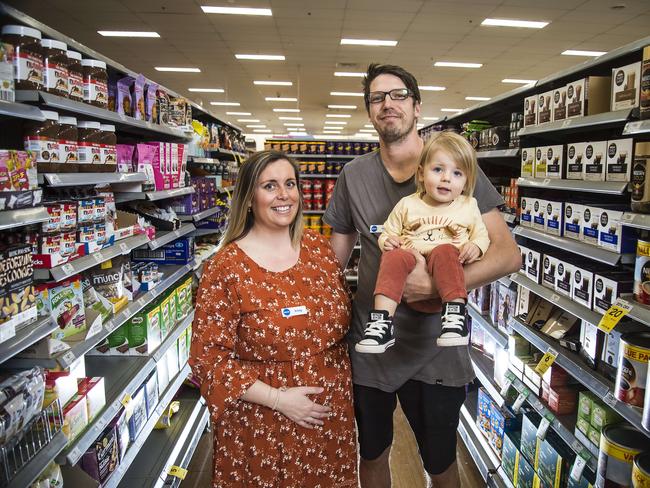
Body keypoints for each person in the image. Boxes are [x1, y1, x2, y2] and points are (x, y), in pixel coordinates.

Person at [324, 64, 521, 488]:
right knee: (372, 453)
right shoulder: (353, 177)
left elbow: (507, 255)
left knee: (440, 464)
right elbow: (331, 264)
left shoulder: (454, 166)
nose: (387, 104)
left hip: (438, 344)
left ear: (416, 106)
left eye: (397, 95)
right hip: (372, 344)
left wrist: (435, 286)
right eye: (377, 98)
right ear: (369, 111)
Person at [190, 150, 357, 488]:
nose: (284, 195)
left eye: (290, 184)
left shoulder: (319, 249)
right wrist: (281, 400)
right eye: (270, 186)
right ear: (249, 198)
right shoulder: (225, 267)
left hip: (329, 422)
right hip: (261, 425)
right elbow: (207, 361)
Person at [355, 131, 490, 354]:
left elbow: (481, 236)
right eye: (438, 170)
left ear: (466, 182)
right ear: (421, 174)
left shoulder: (468, 205)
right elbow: (388, 232)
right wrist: (389, 241)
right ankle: (381, 323)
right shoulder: (407, 204)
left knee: (446, 250)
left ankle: (455, 316)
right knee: (394, 255)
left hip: (443, 291)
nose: (446, 178)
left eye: (457, 173)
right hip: (407, 286)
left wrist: (475, 247)